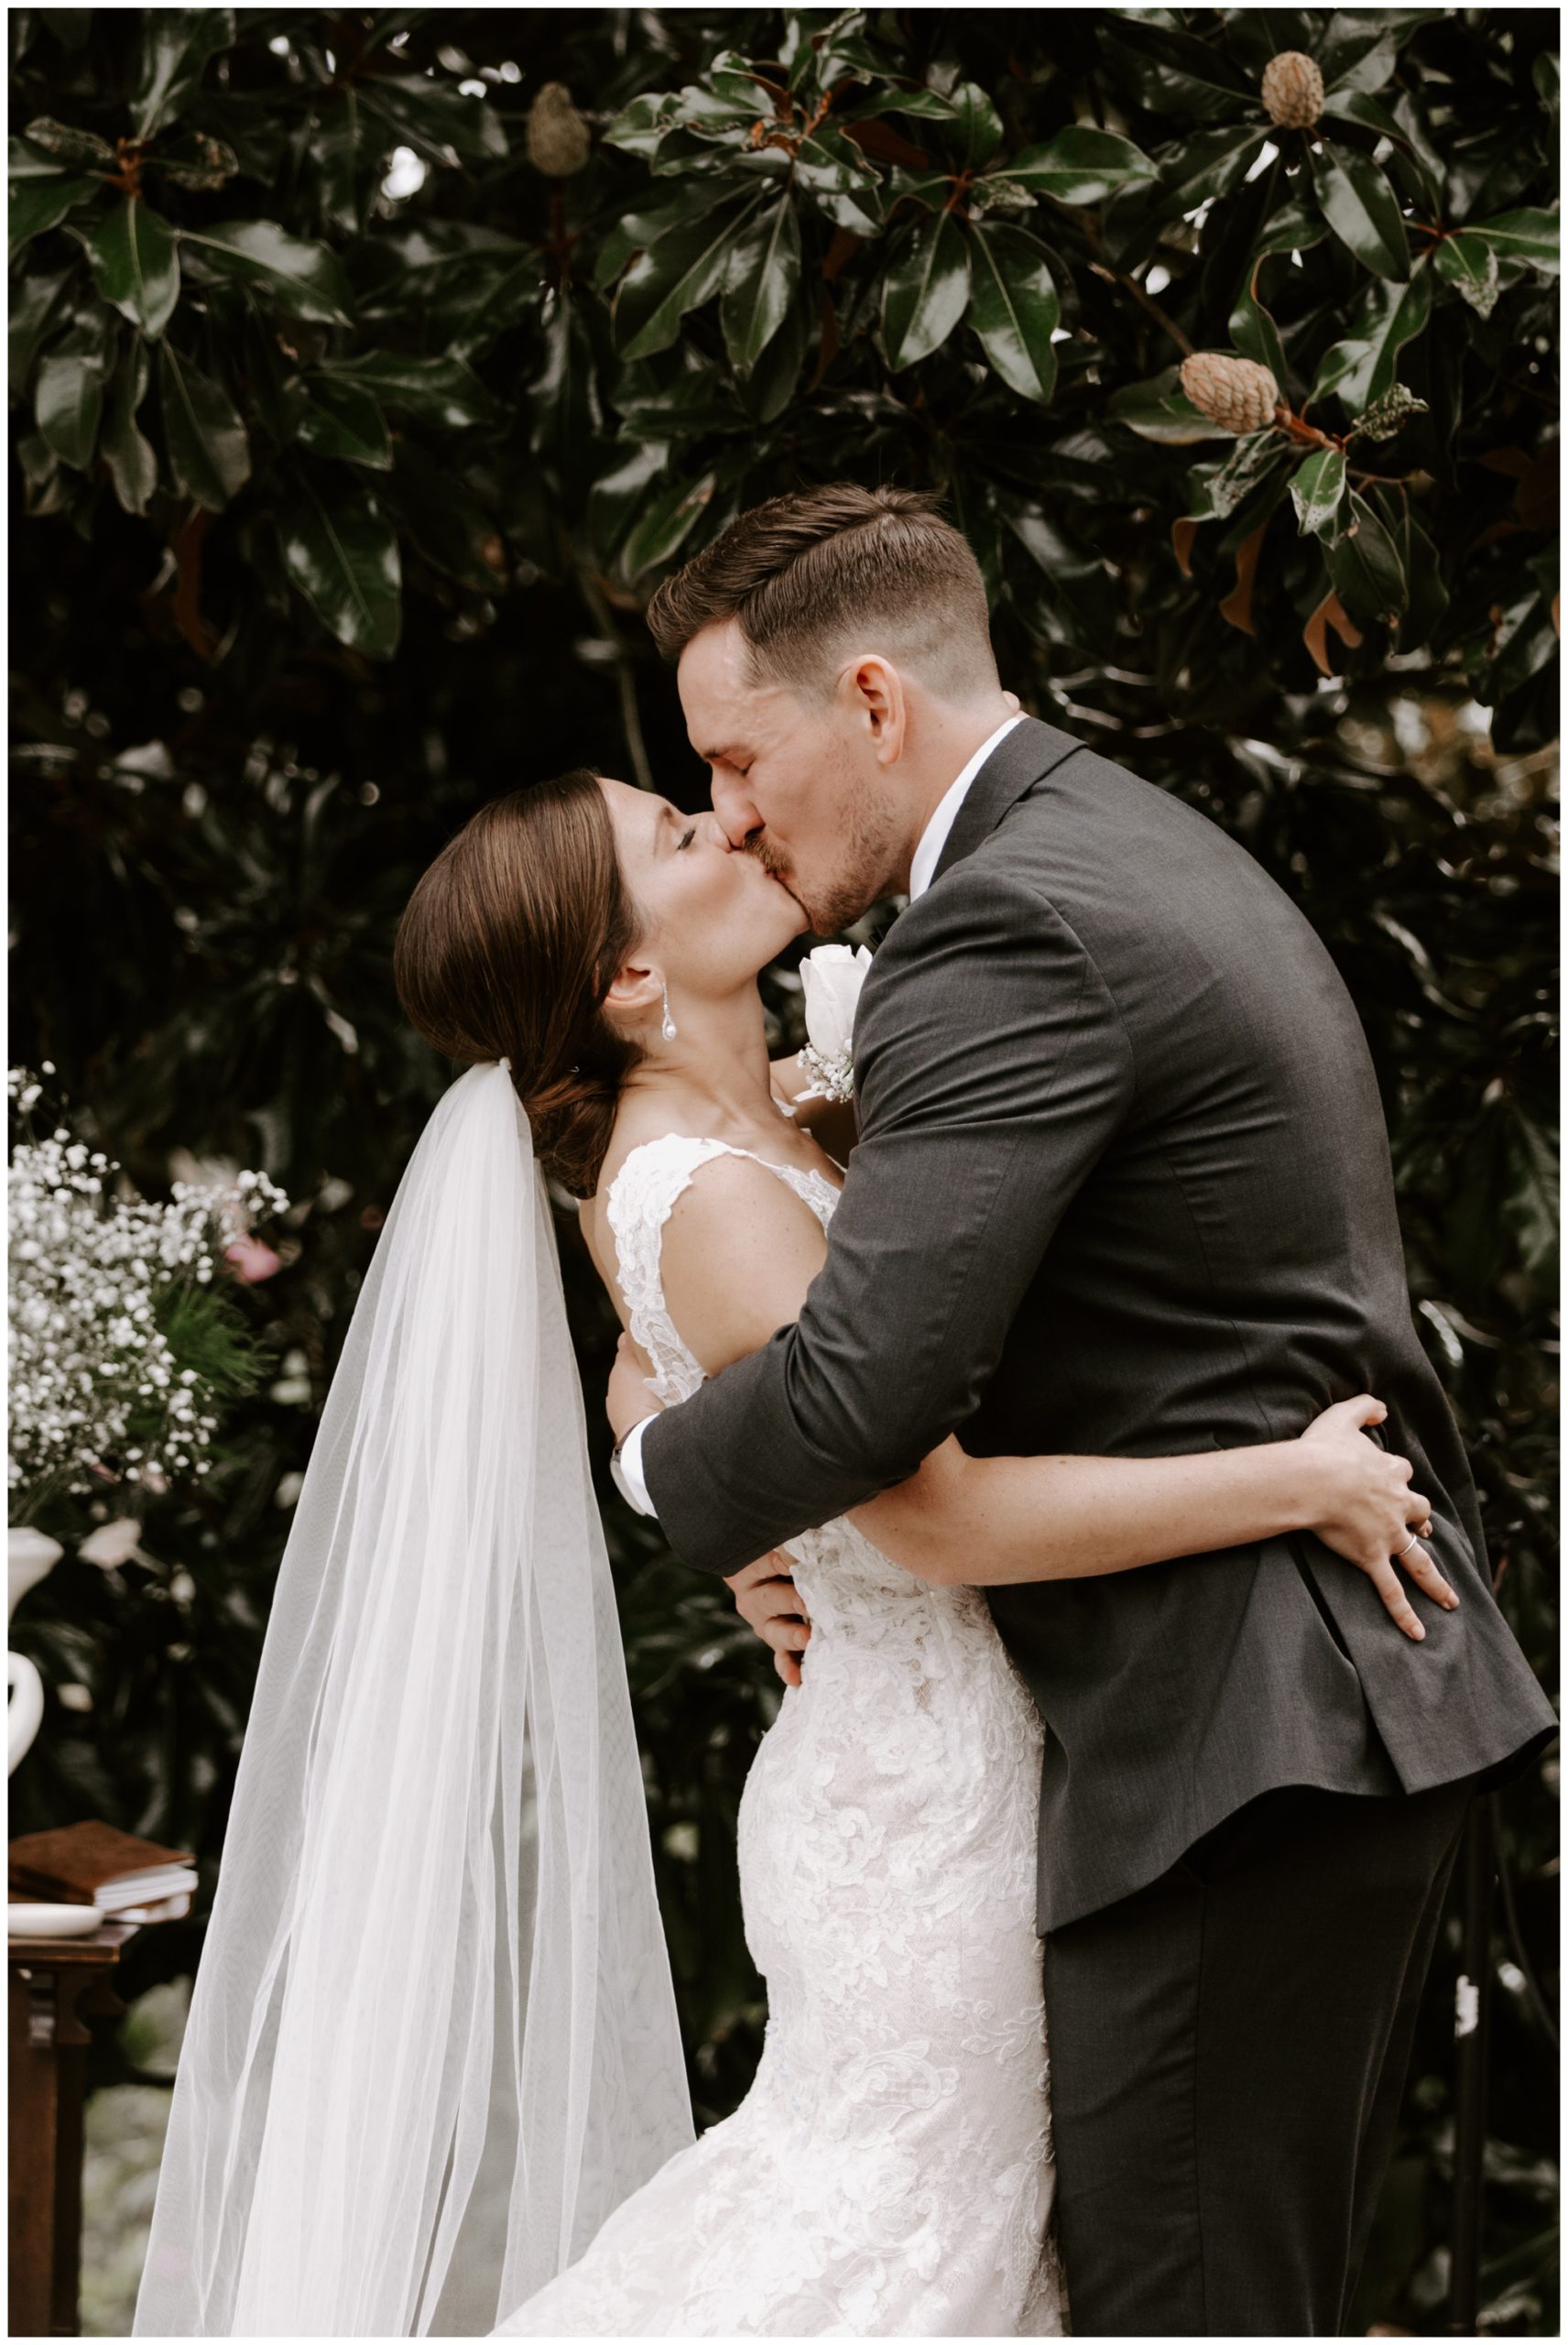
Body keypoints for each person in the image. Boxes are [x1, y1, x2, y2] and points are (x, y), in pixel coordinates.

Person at [595, 483, 1559, 2337]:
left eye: (734, 754)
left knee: (1184, 2304)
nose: (726, 812)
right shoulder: (1092, 843)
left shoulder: (1013, 924)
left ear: (870, 700)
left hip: (1240, 1726)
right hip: (1266, 1708)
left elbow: (868, 1387)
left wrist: (655, 1469)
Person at [387, 769, 1449, 2340]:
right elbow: (937, 1518)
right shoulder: (709, 1195)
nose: (729, 823)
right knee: (893, 2254)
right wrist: (1291, 1485)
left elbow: (647, 1383)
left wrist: (691, 1495)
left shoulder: (775, 1127)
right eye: (680, 837)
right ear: (625, 975)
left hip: (947, 1763)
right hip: (922, 1823)